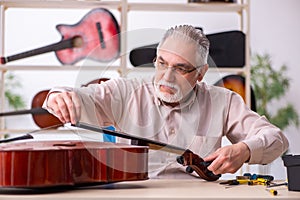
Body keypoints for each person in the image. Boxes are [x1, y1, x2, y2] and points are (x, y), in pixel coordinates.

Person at [43, 25, 289, 179]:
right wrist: (60, 96)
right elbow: (81, 96)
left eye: (180, 68)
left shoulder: (222, 100)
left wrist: (244, 150)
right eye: (162, 63)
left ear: (200, 74)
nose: (167, 77)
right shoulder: (126, 90)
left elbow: (277, 139)